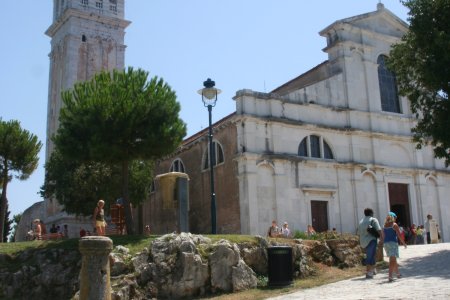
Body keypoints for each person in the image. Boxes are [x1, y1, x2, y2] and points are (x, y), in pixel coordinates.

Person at [357, 208, 383, 279]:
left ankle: (373, 270)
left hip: (363, 242)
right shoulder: (373, 220)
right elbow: (379, 230)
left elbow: (358, 233)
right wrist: (382, 239)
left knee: (371, 255)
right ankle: (369, 272)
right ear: (371, 213)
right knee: (370, 256)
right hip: (371, 240)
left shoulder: (361, 221)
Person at [382, 212, 407, 282]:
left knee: (393, 259)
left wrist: (382, 244)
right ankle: (390, 276)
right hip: (393, 243)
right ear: (393, 217)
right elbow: (399, 235)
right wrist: (404, 243)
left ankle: (398, 273)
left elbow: (383, 236)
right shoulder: (394, 225)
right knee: (392, 260)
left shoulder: (384, 225)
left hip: (386, 244)